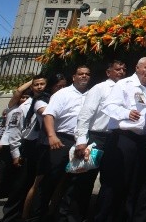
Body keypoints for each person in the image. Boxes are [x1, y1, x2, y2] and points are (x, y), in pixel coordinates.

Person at [95, 57, 146, 221]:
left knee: (134, 185)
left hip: (142, 141)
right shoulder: (124, 84)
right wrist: (126, 114)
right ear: (137, 68)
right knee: (114, 184)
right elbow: (108, 106)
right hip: (123, 139)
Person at [67, 60, 126, 221]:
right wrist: (81, 140)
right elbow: (85, 114)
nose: (121, 72)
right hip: (96, 138)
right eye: (117, 69)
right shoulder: (100, 88)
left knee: (109, 182)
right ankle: (75, 217)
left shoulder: (125, 89)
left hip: (114, 139)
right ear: (109, 72)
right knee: (84, 180)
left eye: (123, 70)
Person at [30, 65, 90, 221]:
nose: (84, 76)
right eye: (80, 74)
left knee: (72, 182)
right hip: (61, 140)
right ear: (74, 77)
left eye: (87, 74)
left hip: (80, 142)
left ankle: (61, 215)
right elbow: (49, 115)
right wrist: (52, 135)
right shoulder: (63, 94)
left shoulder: (90, 95)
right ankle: (37, 216)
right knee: (50, 180)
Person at [0, 76, 52, 222]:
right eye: (36, 84)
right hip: (27, 146)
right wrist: (16, 153)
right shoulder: (24, 106)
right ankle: (10, 216)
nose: (40, 87)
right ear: (31, 87)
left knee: (36, 183)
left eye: (43, 84)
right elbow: (16, 131)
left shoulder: (48, 102)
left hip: (40, 145)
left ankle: (29, 213)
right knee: (21, 183)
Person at [0, 95, 30, 222]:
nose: (24, 100)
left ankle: (12, 215)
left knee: (18, 185)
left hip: (24, 147)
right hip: (8, 149)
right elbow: (13, 133)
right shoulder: (14, 109)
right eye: (22, 97)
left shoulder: (34, 107)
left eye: (27, 97)